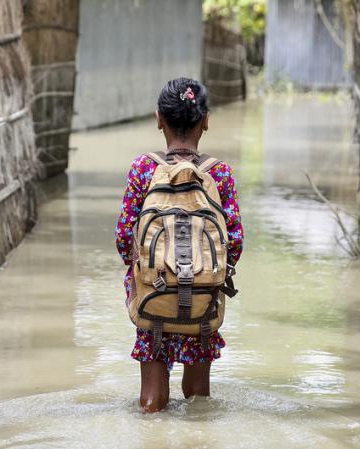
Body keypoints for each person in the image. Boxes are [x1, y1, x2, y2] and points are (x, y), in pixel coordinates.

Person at [115, 77, 244, 413]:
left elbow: (123, 237)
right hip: (203, 298)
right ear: (206, 121)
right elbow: (236, 243)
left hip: (153, 294)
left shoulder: (144, 169)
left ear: (159, 119)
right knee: (199, 400)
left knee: (152, 400)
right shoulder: (220, 174)